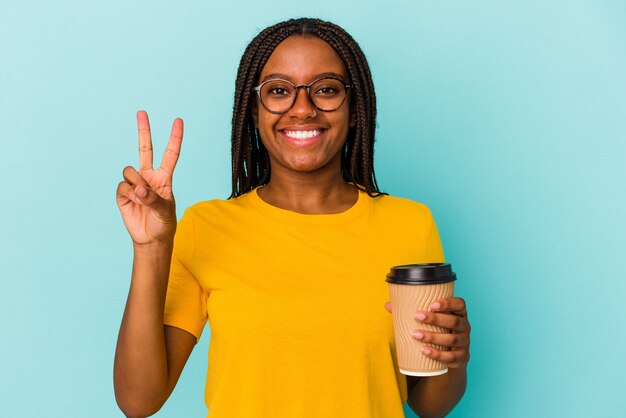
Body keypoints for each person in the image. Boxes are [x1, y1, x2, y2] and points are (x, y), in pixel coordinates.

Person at [114, 17, 471, 418]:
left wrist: (454, 355)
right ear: (253, 110)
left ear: (355, 110)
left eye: (327, 90)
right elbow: (138, 400)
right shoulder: (205, 227)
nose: (302, 109)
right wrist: (151, 247)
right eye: (279, 91)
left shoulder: (409, 223)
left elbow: (429, 405)